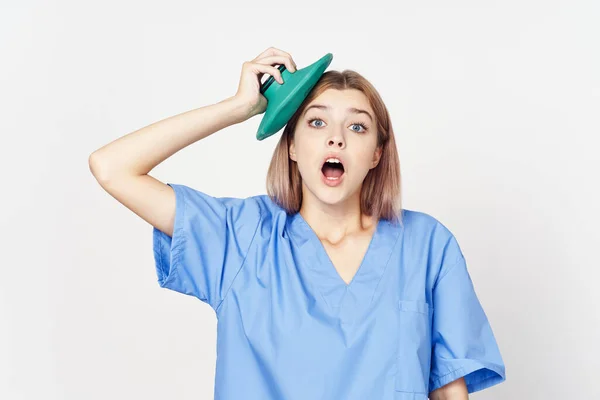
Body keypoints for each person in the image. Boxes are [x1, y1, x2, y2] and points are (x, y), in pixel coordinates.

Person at [89, 46, 506, 400]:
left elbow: (449, 392)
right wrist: (236, 109)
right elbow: (112, 167)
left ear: (377, 153)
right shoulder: (240, 236)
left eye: (358, 126)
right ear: (290, 145)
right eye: (317, 121)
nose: (336, 138)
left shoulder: (428, 246)